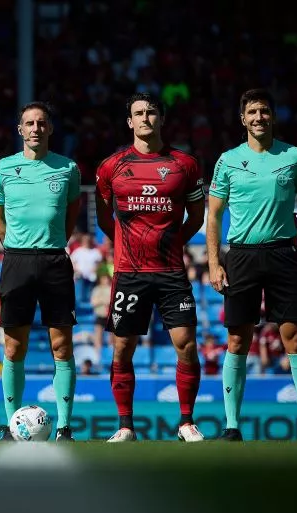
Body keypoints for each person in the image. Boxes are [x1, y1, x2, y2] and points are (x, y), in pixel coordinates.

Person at [206, 88, 297, 442]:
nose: (259, 117)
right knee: (238, 339)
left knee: (294, 336)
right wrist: (214, 263)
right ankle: (231, 427)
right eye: (252, 112)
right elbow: (213, 216)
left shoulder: (294, 157)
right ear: (243, 119)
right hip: (240, 256)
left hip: (283, 255)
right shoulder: (227, 160)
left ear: (273, 116)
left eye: (264, 111)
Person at [94, 92, 206, 442]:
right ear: (129, 121)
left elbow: (197, 217)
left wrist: (170, 243)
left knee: (186, 344)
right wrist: (129, 246)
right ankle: (126, 425)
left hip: (171, 271)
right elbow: (103, 217)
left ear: (162, 118)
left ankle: (186, 421)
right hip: (129, 273)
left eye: (151, 112)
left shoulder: (184, 164)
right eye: (138, 113)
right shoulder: (111, 166)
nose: (145, 118)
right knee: (123, 347)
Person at [0, 101, 81, 441]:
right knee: (13, 349)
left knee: (62, 347)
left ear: (50, 129)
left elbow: (71, 215)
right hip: (17, 261)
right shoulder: (2, 169)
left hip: (55, 261)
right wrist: (18, 246)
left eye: (42, 123)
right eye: (29, 123)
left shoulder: (68, 168)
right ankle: (11, 422)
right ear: (20, 129)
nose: (36, 128)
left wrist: (54, 241)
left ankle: (64, 426)